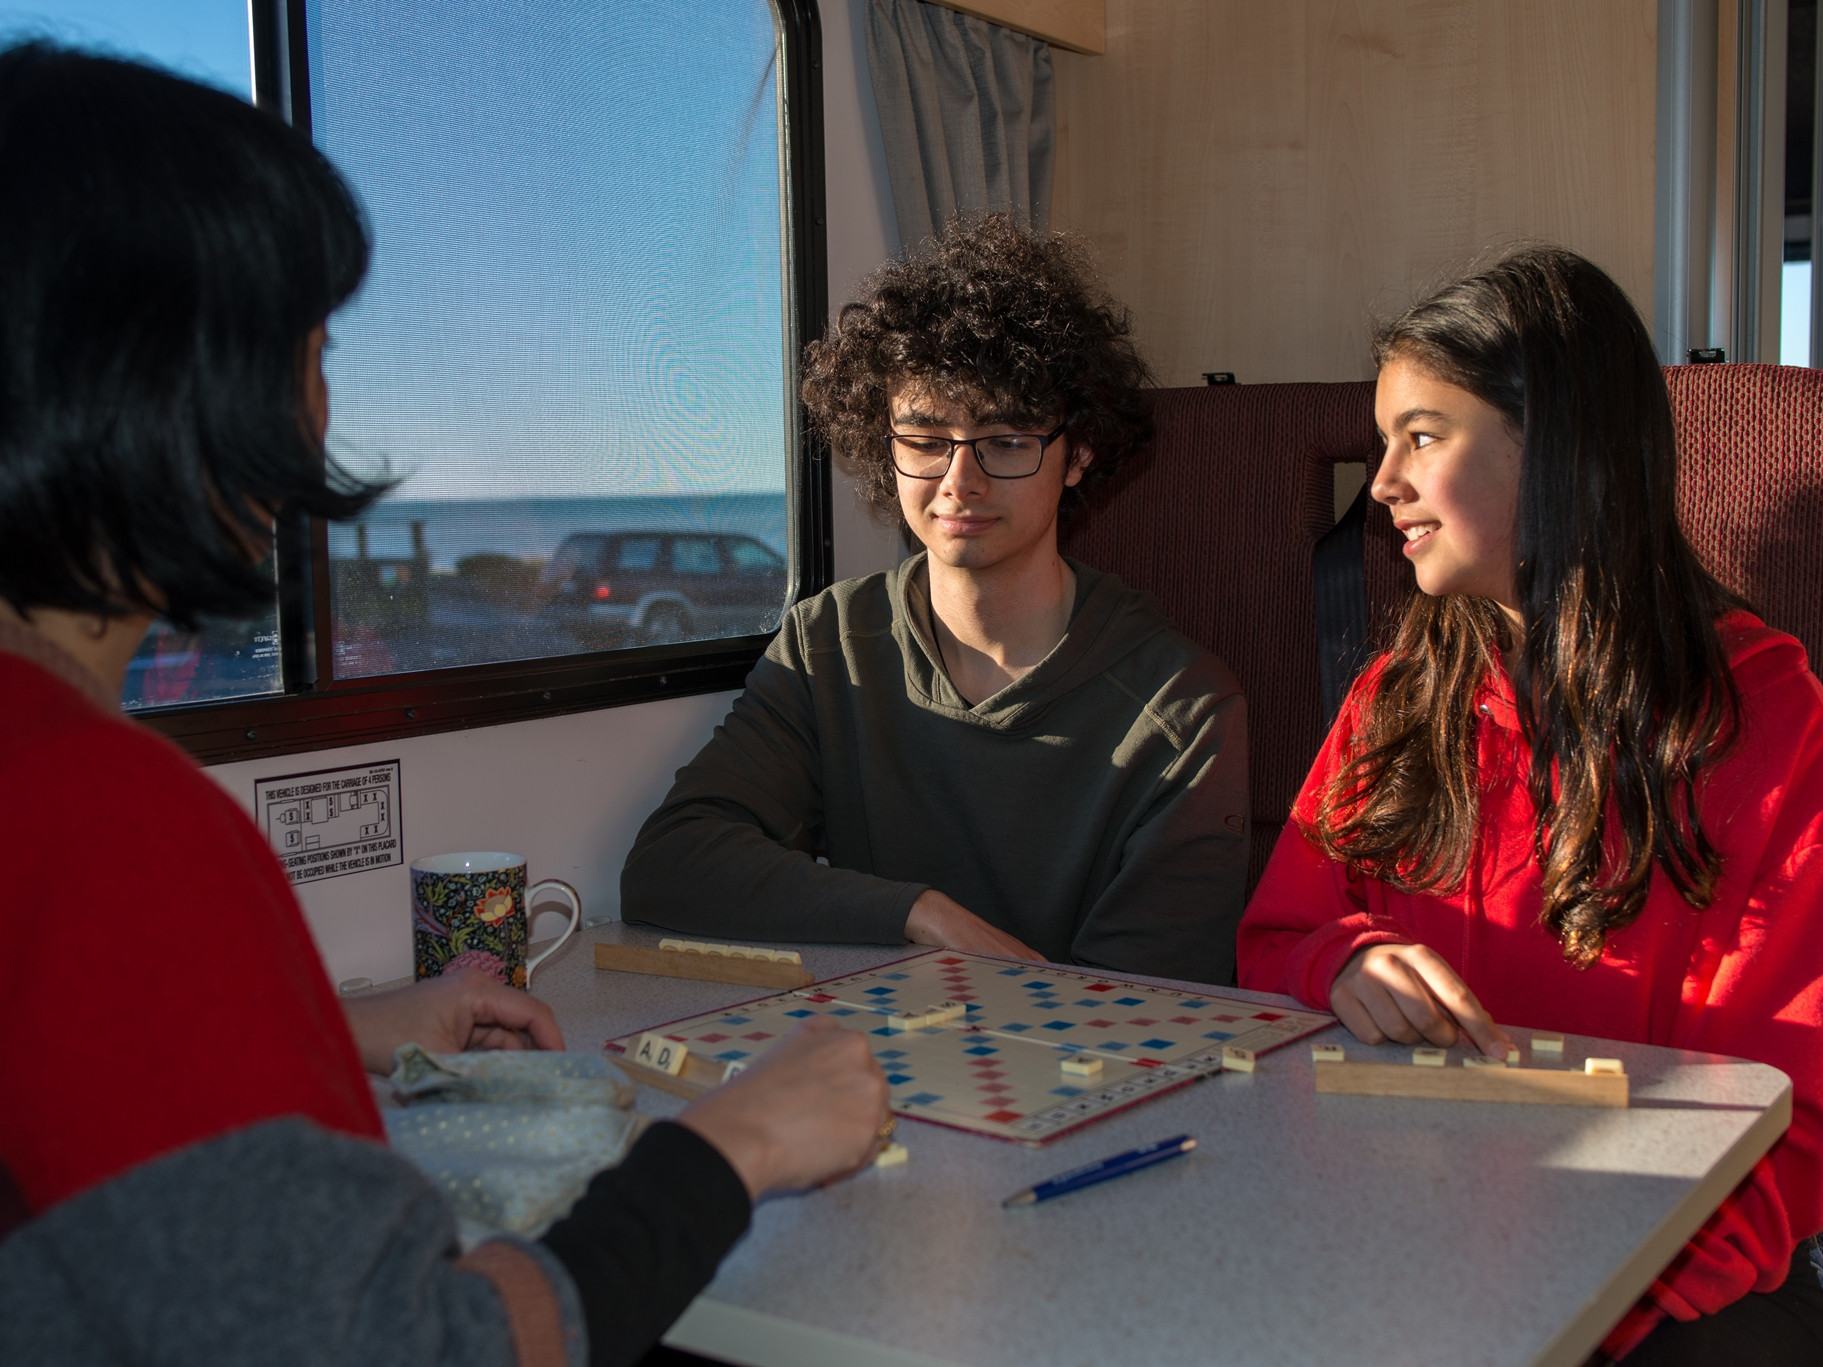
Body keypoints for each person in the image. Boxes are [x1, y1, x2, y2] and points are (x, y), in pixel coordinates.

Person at [0, 42, 889, 1367]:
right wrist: (728, 1145)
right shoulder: (100, 812)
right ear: (167, 381)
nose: (320, 404)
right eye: (307, 343)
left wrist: (333, 1030)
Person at [1237, 246, 1823, 1362]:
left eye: (1421, 436)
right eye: (1381, 443)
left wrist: (1574, 1312)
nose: (1380, 487)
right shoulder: (1391, 696)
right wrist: (1342, 962)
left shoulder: (1763, 714)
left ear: (1554, 446)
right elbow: (1272, 941)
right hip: (1395, 1231)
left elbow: (1777, 1114)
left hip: (1650, 1276)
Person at [621, 215, 1248, 982]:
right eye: (924, 440)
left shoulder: (1182, 707)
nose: (959, 481)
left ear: (1077, 453)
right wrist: (918, 913)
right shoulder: (831, 645)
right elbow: (670, 865)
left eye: (1006, 441)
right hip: (872, 1058)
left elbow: (1151, 1002)